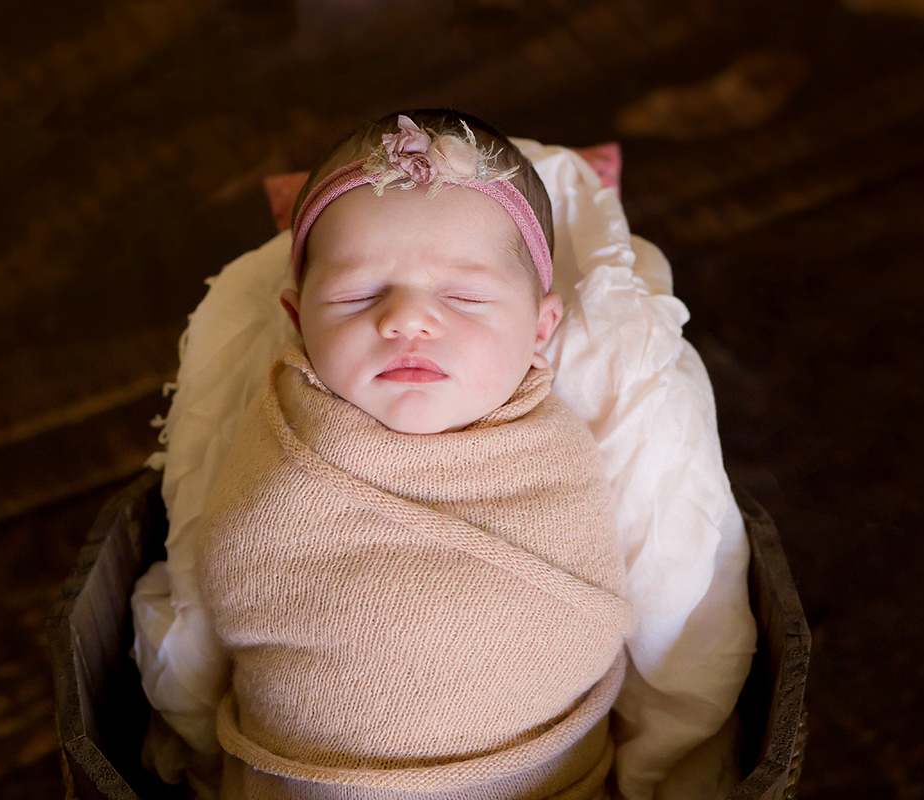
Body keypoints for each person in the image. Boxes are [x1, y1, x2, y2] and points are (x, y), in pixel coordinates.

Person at [196, 110, 634, 799]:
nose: (405, 319)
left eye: (462, 294)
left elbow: (587, 615)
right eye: (358, 293)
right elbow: (241, 573)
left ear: (541, 328)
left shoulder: (552, 452)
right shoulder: (286, 440)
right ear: (296, 318)